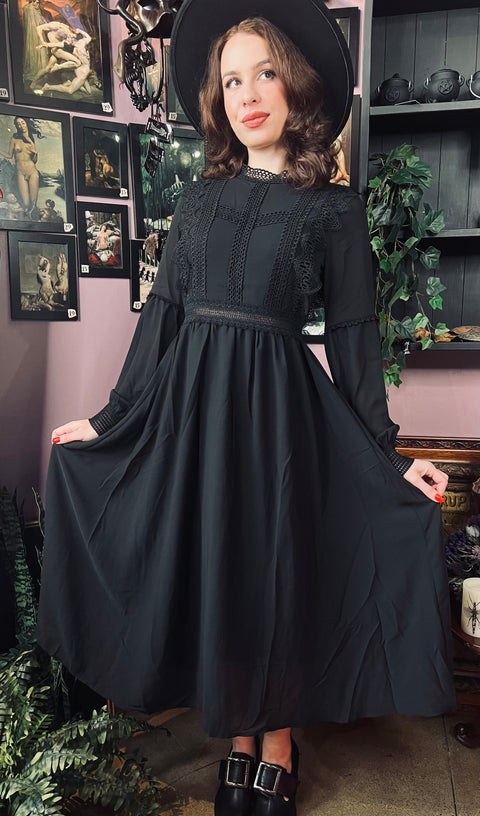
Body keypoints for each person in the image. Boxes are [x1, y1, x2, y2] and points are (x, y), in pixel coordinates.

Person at [37, 2, 456, 815]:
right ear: (216, 98)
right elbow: (162, 318)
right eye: (232, 81)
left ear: (297, 85)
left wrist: (388, 455)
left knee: (272, 577)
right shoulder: (197, 201)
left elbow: (354, 339)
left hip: (278, 423)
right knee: (218, 571)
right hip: (192, 417)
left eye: (265, 73)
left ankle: (277, 743)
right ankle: (237, 740)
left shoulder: (333, 208)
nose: (248, 95)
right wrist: (111, 420)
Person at [0, 116, 41, 216]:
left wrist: (35, 154)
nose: (21, 125)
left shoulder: (31, 140)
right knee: (26, 203)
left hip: (32, 172)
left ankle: (32, 219)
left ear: (26, 124)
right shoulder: (14, 139)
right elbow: (9, 155)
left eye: (22, 123)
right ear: (16, 126)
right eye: (18, 124)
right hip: (20, 172)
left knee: (33, 204)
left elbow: (34, 161)